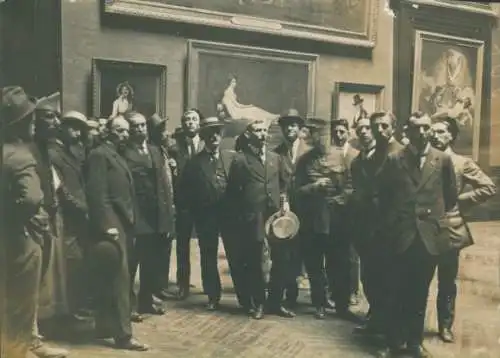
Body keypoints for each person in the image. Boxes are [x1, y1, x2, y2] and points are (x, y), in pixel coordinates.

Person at [377, 112, 457, 358]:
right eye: (416, 128)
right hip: (400, 235)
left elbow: (450, 195)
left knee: (420, 292)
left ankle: (414, 343)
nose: (422, 133)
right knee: (395, 290)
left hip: (428, 238)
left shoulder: (442, 159)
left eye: (426, 128)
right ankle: (393, 343)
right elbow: (384, 195)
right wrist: (394, 223)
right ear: (407, 131)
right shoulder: (394, 159)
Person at [430, 116, 497, 343]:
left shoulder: (461, 163)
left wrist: (461, 199)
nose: (434, 135)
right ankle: (411, 328)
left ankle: (445, 326)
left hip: (450, 227)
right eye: (432, 131)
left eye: (440, 132)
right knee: (418, 278)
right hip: (425, 228)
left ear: (451, 135)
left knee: (447, 280)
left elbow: (488, 187)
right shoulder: (424, 159)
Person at [86, 115, 148, 351]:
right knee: (119, 281)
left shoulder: (115, 154)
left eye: (125, 131)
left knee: (114, 278)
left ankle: (104, 327)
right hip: (112, 225)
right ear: (108, 131)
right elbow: (97, 193)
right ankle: (123, 335)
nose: (125, 135)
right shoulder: (100, 155)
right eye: (120, 131)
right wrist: (107, 225)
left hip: (122, 223)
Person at [226, 118, 289, 319]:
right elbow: (233, 193)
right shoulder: (240, 160)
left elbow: (284, 185)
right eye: (257, 130)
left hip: (275, 216)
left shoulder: (275, 158)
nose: (262, 134)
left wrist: (284, 202)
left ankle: (276, 302)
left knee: (280, 259)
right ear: (248, 134)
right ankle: (258, 302)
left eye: (265, 130)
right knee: (255, 261)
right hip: (253, 217)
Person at [295, 117, 357, 321]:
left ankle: (341, 305)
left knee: (339, 264)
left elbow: (351, 186)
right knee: (314, 265)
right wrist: (314, 187)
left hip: (337, 221)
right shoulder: (304, 161)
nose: (317, 139)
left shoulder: (343, 158)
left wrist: (339, 200)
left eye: (320, 135)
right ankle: (319, 303)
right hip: (312, 220)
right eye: (313, 136)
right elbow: (295, 191)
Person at [2, 86, 44, 358]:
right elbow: (31, 199)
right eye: (31, 118)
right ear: (21, 123)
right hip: (17, 242)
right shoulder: (19, 156)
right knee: (18, 314)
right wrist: (12, 219)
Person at [180, 117, 239, 310]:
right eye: (209, 133)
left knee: (235, 253)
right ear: (203, 137)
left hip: (230, 215)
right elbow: (186, 192)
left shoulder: (230, 158)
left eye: (217, 132)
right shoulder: (194, 164)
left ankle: (243, 295)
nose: (214, 136)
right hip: (206, 216)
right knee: (208, 255)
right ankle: (213, 295)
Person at [122, 111, 175, 316]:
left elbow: (164, 184)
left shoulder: (155, 150)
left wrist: (167, 214)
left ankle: (146, 301)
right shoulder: (124, 152)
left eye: (143, 125)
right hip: (136, 214)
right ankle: (129, 306)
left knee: (150, 262)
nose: (140, 129)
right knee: (132, 263)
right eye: (135, 126)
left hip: (156, 215)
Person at [47, 110, 90, 320]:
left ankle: (74, 307)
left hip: (78, 215)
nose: (77, 132)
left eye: (80, 129)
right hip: (68, 216)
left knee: (76, 262)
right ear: (61, 128)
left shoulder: (73, 151)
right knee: (68, 262)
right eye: (73, 127)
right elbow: (61, 190)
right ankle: (66, 310)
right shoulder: (53, 153)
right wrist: (81, 208)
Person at [273, 109, 310, 311]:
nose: (290, 129)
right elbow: (277, 182)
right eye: (286, 125)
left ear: (299, 128)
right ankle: (290, 296)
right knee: (286, 253)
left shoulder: (309, 151)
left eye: (293, 125)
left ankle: (320, 299)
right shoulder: (277, 153)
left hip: (307, 210)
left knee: (307, 253)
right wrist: (282, 201)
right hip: (286, 211)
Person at [169, 109, 204, 299]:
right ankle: (183, 284)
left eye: (194, 119)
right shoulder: (175, 147)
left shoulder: (207, 144)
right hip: (184, 203)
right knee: (182, 245)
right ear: (183, 124)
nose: (190, 122)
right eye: (187, 120)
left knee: (207, 244)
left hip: (204, 203)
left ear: (199, 123)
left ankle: (209, 284)